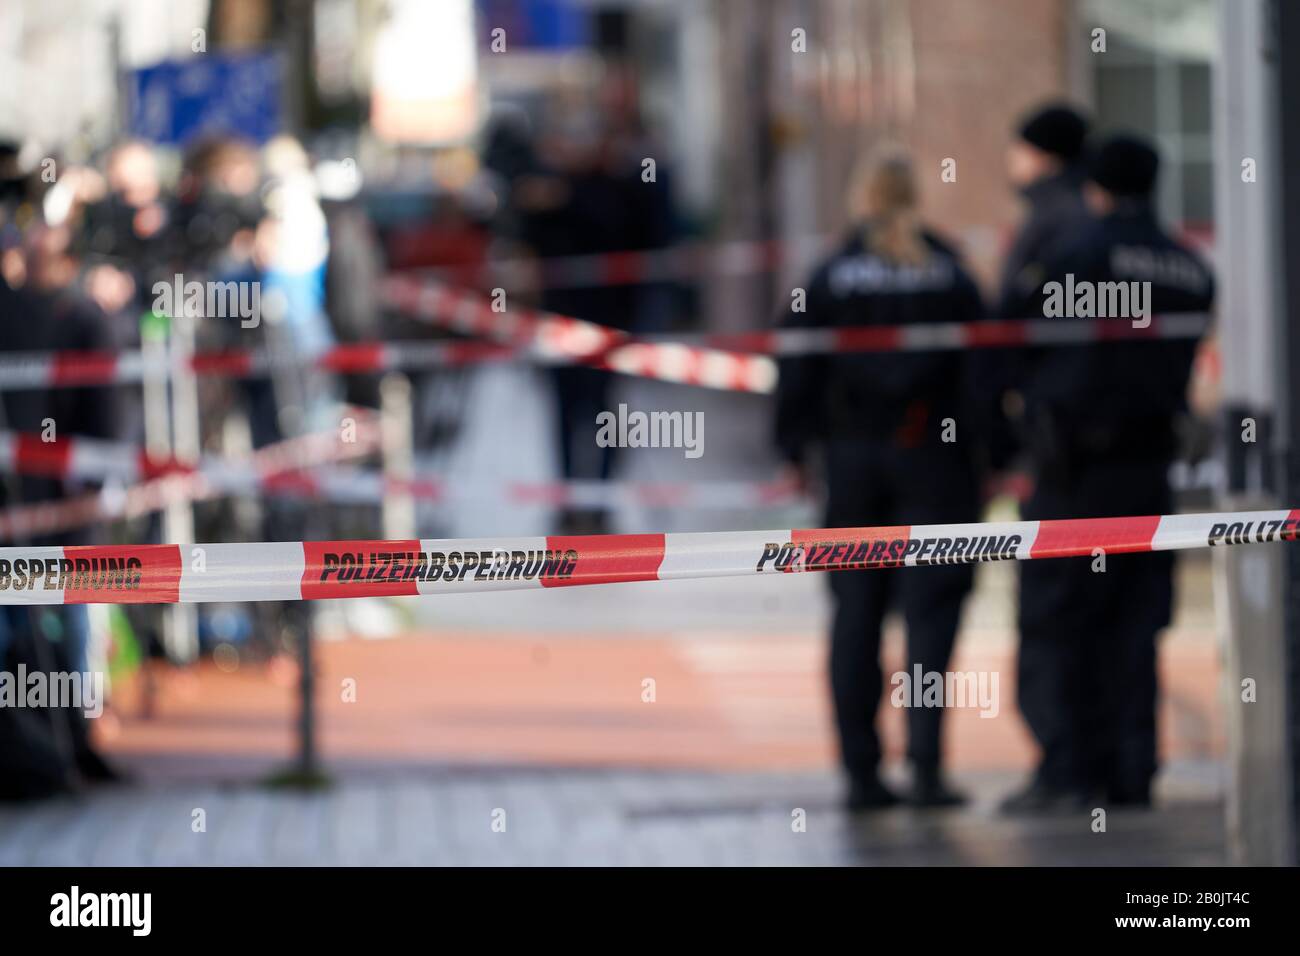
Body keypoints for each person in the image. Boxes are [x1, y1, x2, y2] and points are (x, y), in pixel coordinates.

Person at [1000, 134, 1215, 813]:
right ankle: (1131, 771)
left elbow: (1014, 344)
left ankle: (1067, 772)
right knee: (1135, 624)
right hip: (1149, 471)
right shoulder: (1189, 266)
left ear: (1096, 187)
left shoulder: (1075, 255)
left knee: (1059, 621)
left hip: (1074, 473)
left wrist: (1014, 430)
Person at [775, 150, 986, 810]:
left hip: (854, 463)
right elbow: (982, 371)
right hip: (937, 460)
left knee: (856, 616)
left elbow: (796, 367)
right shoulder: (948, 269)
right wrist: (992, 451)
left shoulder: (831, 275)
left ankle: (861, 772)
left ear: (860, 198)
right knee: (932, 614)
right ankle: (926, 765)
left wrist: (793, 447)